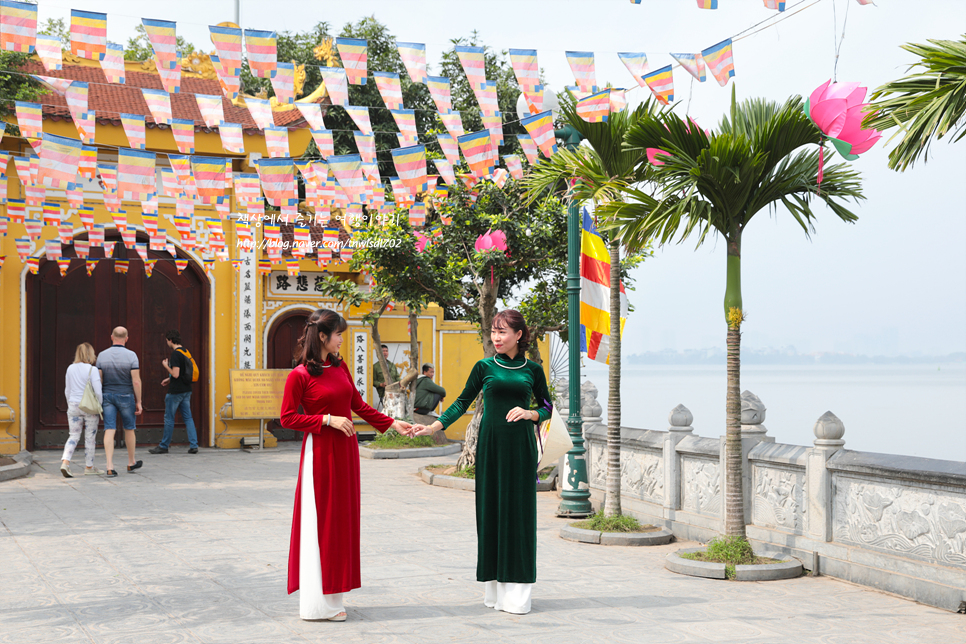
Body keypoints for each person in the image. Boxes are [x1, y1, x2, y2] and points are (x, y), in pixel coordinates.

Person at [412, 310, 552, 615]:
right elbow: (462, 401)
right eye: (493, 332)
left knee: (520, 517)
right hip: (490, 448)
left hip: (520, 449)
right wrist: (435, 426)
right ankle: (495, 591)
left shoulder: (533, 370)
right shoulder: (484, 367)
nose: (496, 338)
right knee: (491, 514)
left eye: (503, 332)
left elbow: (547, 405)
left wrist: (530, 414)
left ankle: (517, 595)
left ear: (519, 335)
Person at [281, 309, 413, 622]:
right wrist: (325, 419)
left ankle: (334, 596)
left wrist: (392, 423)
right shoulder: (300, 375)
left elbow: (358, 405)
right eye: (338, 334)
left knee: (341, 523)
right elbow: (287, 418)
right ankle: (317, 603)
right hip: (321, 454)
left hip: (346, 453)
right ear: (323, 337)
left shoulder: (340, 369)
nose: (342, 339)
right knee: (322, 522)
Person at [96, 326, 143, 477]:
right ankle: (131, 462)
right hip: (126, 396)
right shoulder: (132, 356)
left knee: (110, 428)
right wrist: (139, 401)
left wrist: (99, 398)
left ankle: (109, 465)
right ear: (126, 338)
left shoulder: (102, 356)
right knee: (129, 428)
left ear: (112, 337)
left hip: (107, 396)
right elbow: (136, 381)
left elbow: (99, 380)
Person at [150, 330, 199, 455]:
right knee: (188, 418)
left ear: (170, 340)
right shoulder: (185, 351)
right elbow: (183, 372)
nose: (167, 343)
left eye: (167, 341)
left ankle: (164, 446)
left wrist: (165, 365)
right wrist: (168, 379)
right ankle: (194, 445)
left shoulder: (176, 354)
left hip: (176, 392)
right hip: (187, 390)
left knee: (169, 419)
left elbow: (176, 374)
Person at [61, 342, 103, 478]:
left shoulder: (70, 368)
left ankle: (65, 462)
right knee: (90, 437)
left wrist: (70, 404)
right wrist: (99, 406)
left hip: (73, 405)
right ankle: (89, 467)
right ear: (91, 354)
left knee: (73, 435)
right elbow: (97, 391)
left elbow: (67, 389)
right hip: (89, 407)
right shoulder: (92, 370)